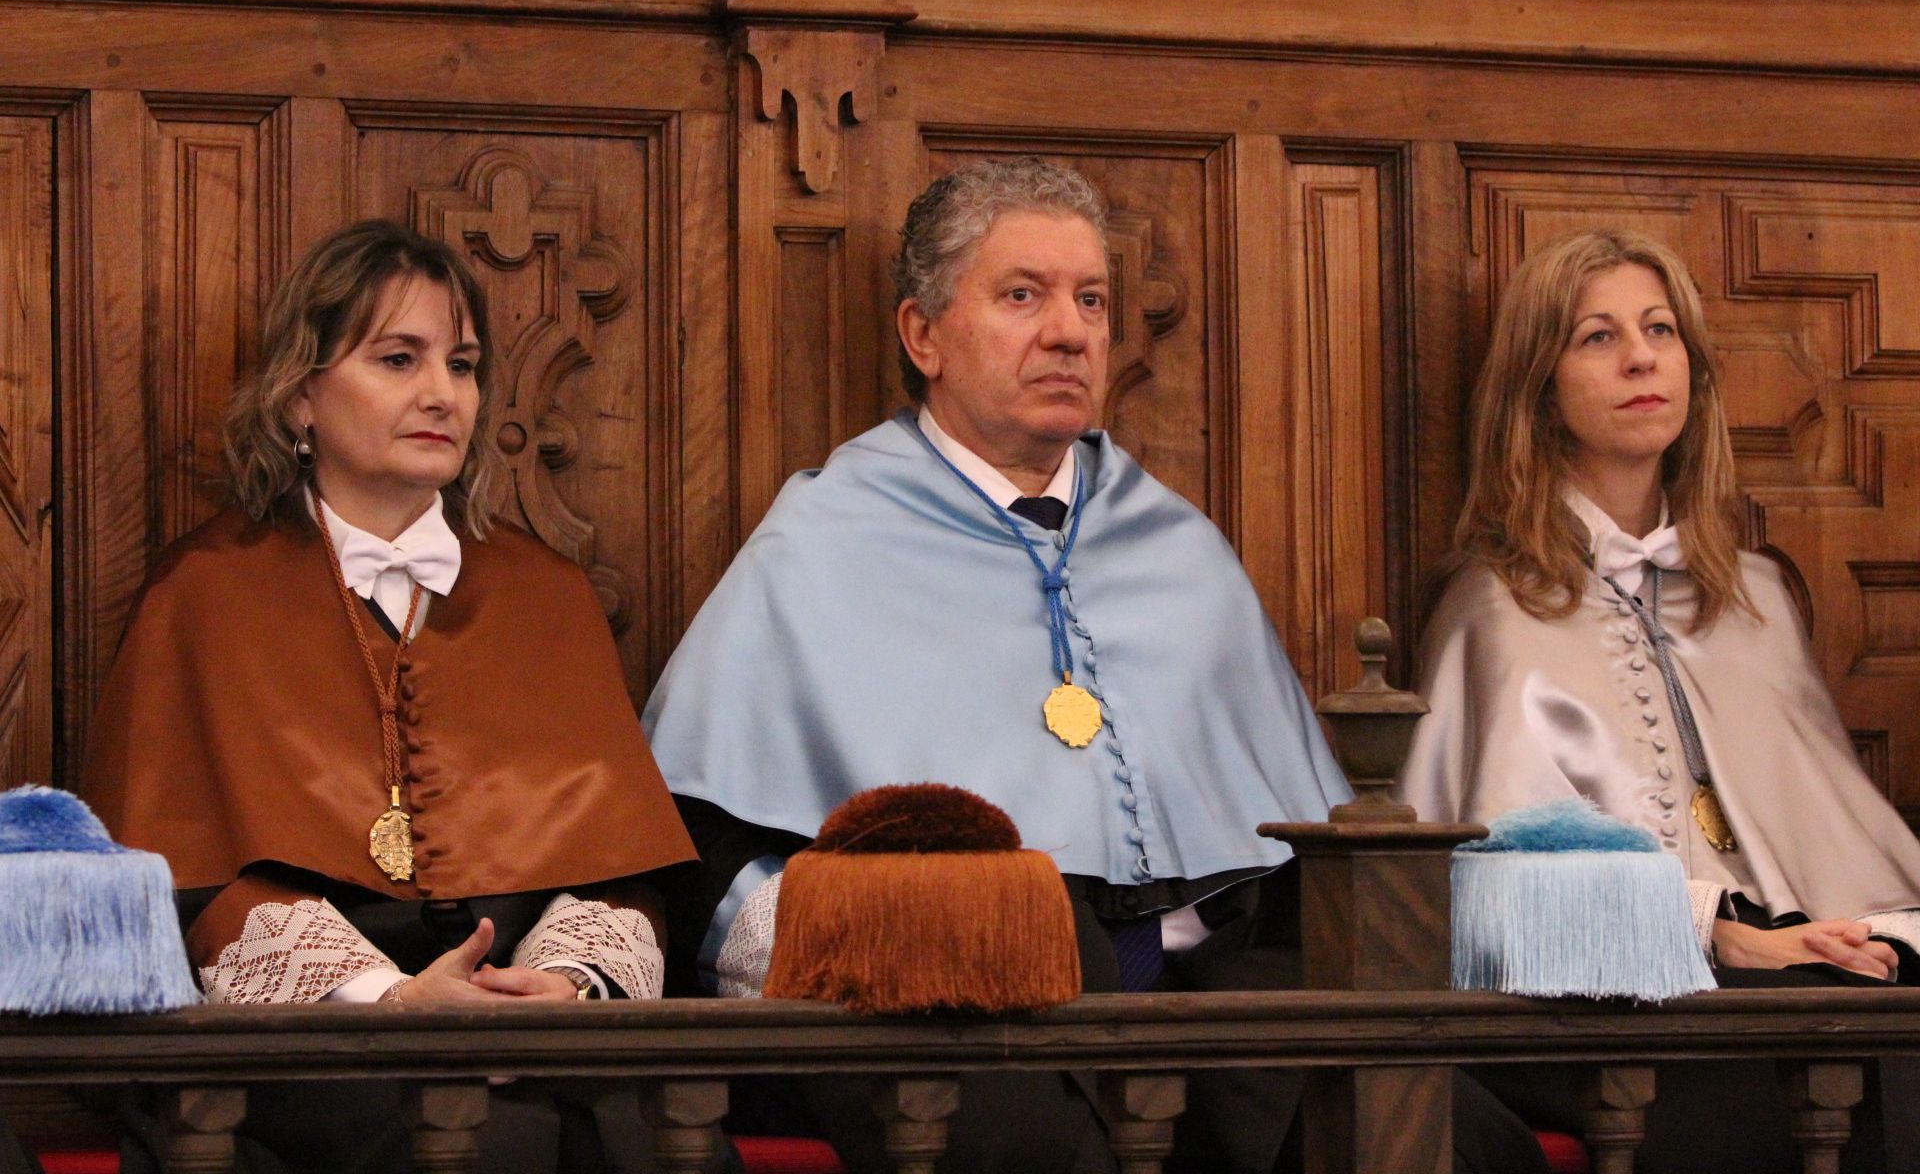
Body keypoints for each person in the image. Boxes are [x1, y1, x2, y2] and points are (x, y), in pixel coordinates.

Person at [644, 157, 1547, 1174]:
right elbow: (713, 850)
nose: (1070, 330)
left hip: (1205, 1005)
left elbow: (1287, 862)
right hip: (962, 1009)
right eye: (1022, 295)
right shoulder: (819, 539)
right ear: (923, 334)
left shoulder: (1178, 544)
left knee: (1434, 1130)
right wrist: (897, 939)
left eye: (1091, 300)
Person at [82, 219, 696, 1174]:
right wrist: (384, 998)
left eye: (461, 363)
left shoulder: (547, 592)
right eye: (397, 359)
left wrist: (566, 981)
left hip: (537, 1035)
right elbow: (182, 877)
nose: (440, 394)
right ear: (299, 398)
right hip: (307, 1055)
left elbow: (625, 864)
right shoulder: (202, 590)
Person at [1397, 227, 1920, 1173]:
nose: (1642, 357)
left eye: (1661, 329)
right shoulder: (1492, 606)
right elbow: (1474, 884)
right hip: (1609, 1003)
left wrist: (1853, 930)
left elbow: (1836, 826)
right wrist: (1715, 934)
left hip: (1794, 959)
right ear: (1538, 389)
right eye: (1597, 337)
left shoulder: (1756, 594)